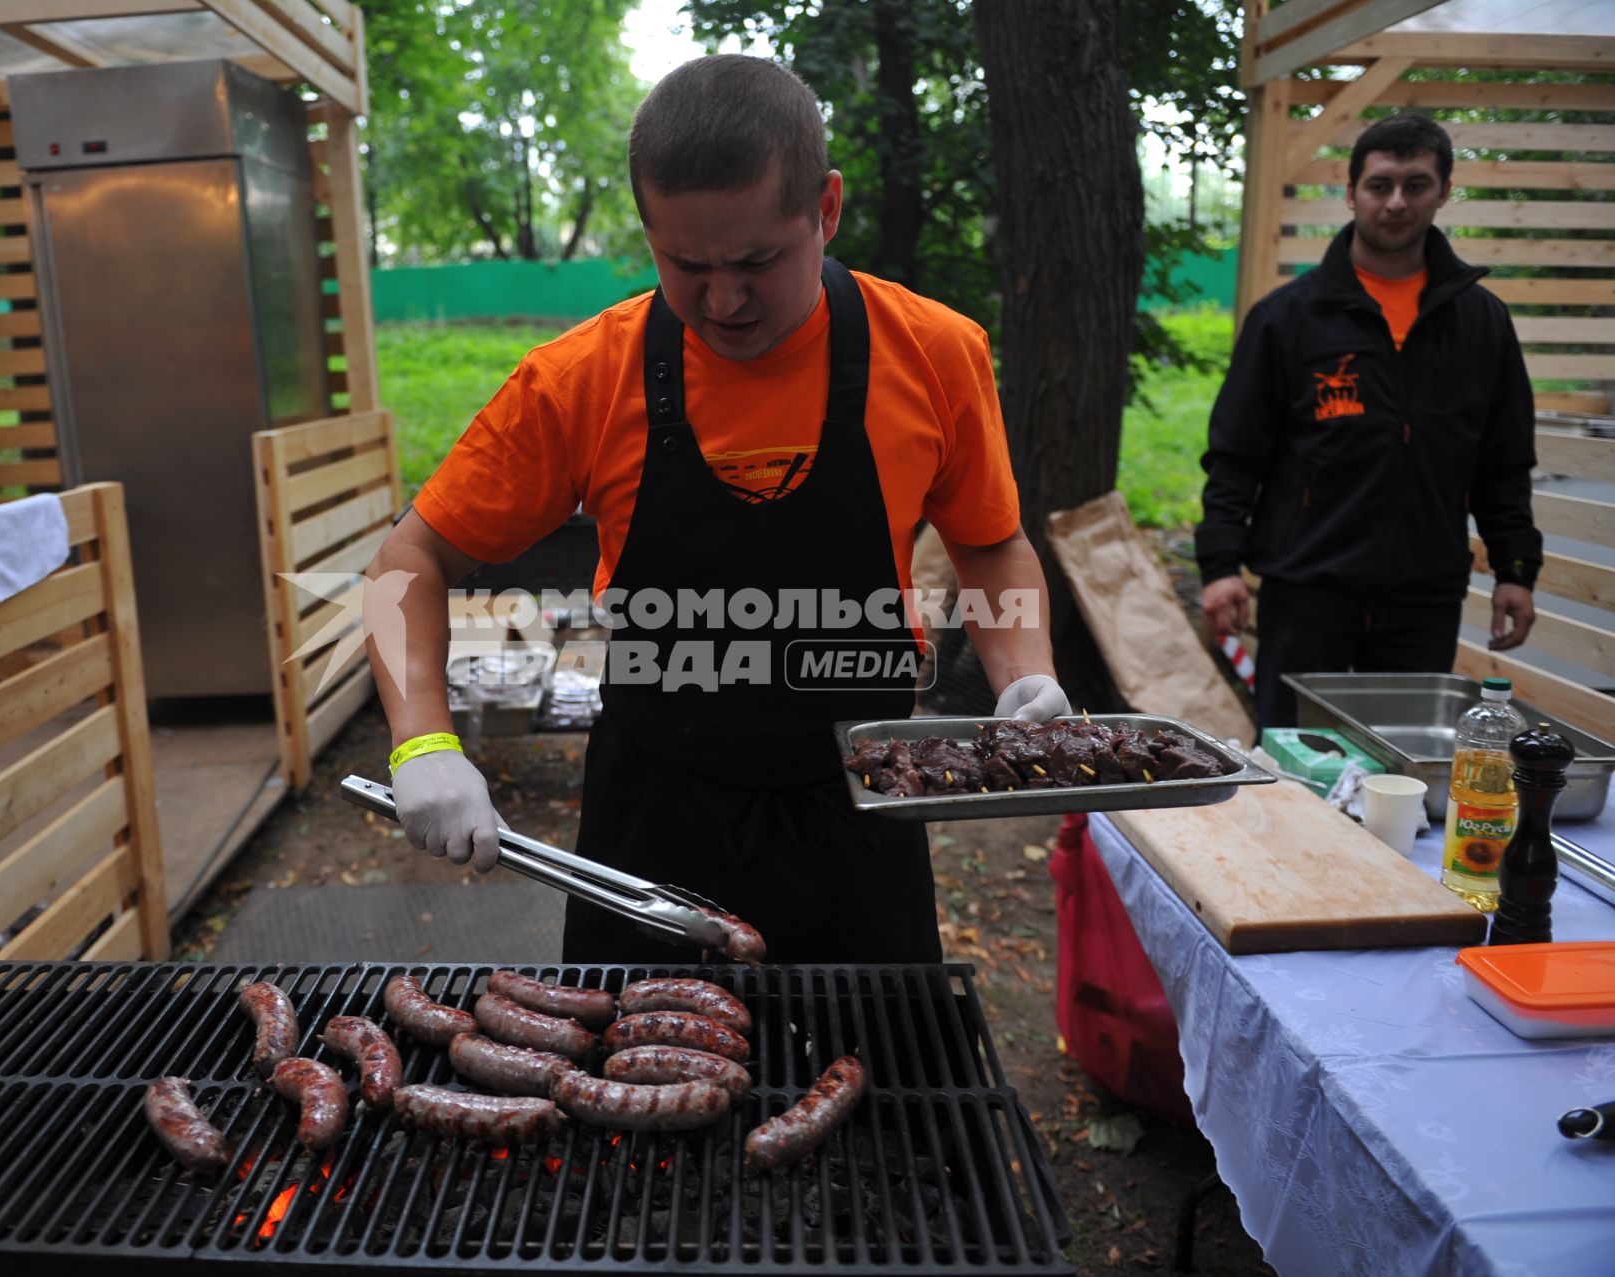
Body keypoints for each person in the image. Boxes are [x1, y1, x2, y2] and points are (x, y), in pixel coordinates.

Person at [362, 55, 1066, 965]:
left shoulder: (935, 352)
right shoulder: (580, 377)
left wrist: (1025, 674)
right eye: (685, 264)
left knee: (883, 1086)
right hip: (653, 821)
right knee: (633, 1087)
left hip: (862, 806)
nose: (724, 300)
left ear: (827, 210)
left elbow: (989, 541)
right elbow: (407, 562)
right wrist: (422, 744)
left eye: (756, 261)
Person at [1196, 113, 1542, 730]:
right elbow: (1235, 454)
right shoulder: (1288, 319)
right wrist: (1221, 566)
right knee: (1297, 765)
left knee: (1403, 779)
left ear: (1444, 191)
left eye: (1416, 185)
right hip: (1307, 594)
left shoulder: (1482, 323)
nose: (1397, 202)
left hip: (1425, 600)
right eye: (1380, 185)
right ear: (1352, 191)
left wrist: (1516, 569)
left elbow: (1503, 461)